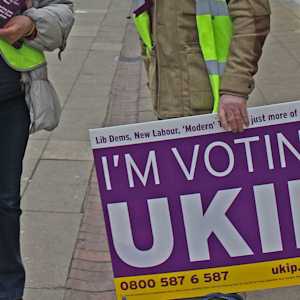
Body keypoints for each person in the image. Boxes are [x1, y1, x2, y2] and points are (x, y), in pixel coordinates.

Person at [133, 0, 271, 299]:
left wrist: (235, 88)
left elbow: (253, 16)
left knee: (221, 216)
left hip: (212, 107)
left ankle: (224, 292)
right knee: (192, 218)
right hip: (172, 102)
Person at [0, 1, 74, 299]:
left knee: (5, 202)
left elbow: (62, 10)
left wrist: (31, 25)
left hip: (9, 102)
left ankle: (7, 288)